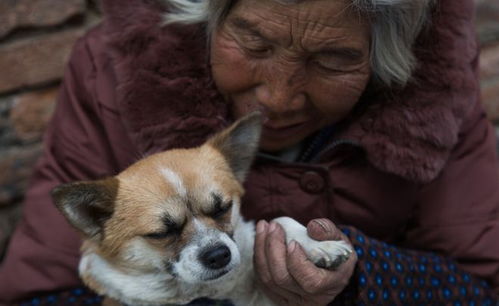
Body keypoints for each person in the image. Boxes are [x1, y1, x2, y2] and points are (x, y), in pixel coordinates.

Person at [0, 0, 498, 304]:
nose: (278, 99)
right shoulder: (106, 75)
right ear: (210, 16)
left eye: (331, 60)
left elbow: (483, 291)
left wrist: (358, 277)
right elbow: (35, 294)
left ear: (386, 59)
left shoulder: (437, 99)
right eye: (255, 44)